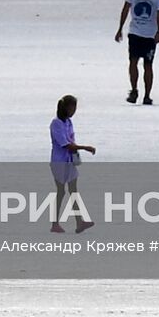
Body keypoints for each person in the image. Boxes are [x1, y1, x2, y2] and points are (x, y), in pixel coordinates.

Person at [114, 0, 159, 105]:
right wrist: (120, 29)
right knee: (133, 61)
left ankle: (147, 95)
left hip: (149, 35)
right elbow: (125, 10)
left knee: (148, 65)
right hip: (135, 32)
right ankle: (134, 90)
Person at [49, 94, 96, 233]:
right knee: (61, 192)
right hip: (59, 162)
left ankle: (79, 222)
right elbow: (66, 144)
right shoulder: (56, 123)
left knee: (73, 191)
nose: (74, 111)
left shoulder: (68, 122)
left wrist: (77, 151)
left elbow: (71, 140)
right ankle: (54, 223)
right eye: (72, 108)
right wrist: (85, 148)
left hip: (69, 161)